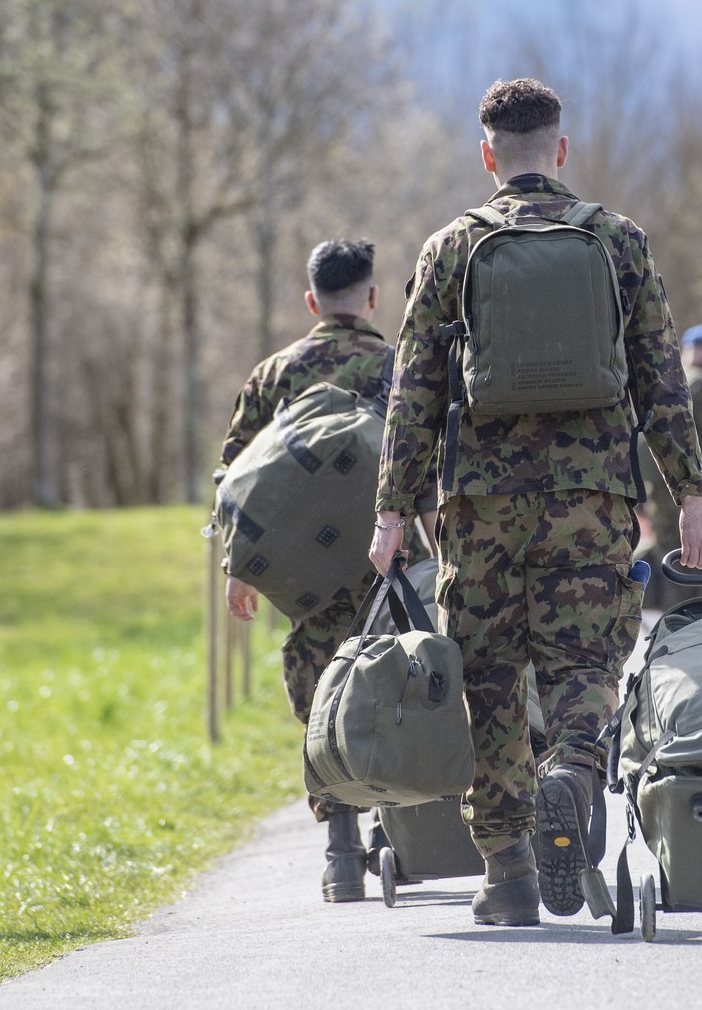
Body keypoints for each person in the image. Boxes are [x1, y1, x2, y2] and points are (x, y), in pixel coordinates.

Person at [368, 78, 702, 928]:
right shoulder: (617, 239)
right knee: (587, 657)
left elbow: (412, 392)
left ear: (488, 154)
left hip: (479, 508)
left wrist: (390, 510)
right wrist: (695, 497)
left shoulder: (450, 247)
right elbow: (662, 384)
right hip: (591, 496)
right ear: (560, 150)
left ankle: (509, 870)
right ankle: (571, 767)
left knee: (488, 676)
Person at [220, 238, 436, 904]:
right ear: (372, 297)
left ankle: (342, 853)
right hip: (390, 561)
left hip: (305, 573)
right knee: (403, 686)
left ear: (312, 301)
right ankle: (410, 833)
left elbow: (237, 474)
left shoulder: (274, 374)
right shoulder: (401, 365)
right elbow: (431, 463)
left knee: (321, 695)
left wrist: (239, 568)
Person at [641, 324, 702, 608]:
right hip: (696, 499)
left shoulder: (666, 386)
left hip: (662, 499)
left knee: (675, 575)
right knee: (699, 581)